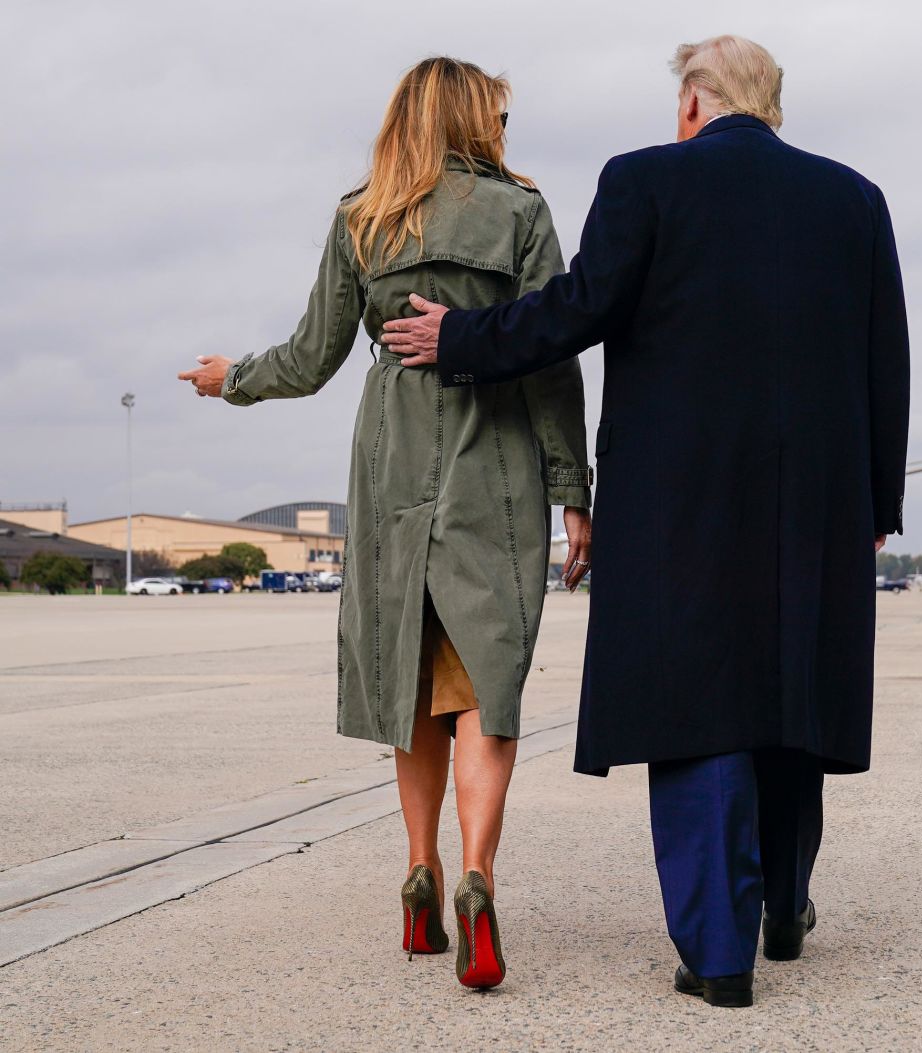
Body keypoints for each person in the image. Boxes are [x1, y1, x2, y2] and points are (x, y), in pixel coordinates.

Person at [382, 35, 910, 1007]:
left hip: (679, 503)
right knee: (791, 703)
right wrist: (877, 504)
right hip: (816, 508)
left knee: (704, 709)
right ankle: (785, 906)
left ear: (693, 104)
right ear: (772, 109)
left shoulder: (645, 181)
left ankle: (718, 957)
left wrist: (457, 335)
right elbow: (886, 363)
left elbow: (575, 312)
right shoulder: (853, 201)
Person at [176, 58, 593, 991]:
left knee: (407, 669)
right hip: (496, 461)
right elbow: (553, 359)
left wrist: (228, 379)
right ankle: (479, 870)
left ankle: (420, 871)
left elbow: (313, 354)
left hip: (391, 458)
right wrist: (574, 492)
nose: (508, 128)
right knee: (490, 675)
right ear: (471, 117)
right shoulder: (521, 211)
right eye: (500, 113)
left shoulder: (361, 215)